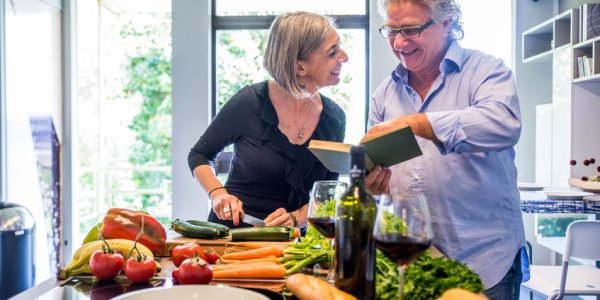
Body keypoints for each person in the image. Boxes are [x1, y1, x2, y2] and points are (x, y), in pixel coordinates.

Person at [365, 0, 528, 299]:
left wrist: (418, 123)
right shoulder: (384, 94)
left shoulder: (486, 71)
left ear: (447, 23)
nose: (400, 42)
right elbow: (382, 180)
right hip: (413, 260)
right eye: (391, 30)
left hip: (485, 260)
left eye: (411, 29)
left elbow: (504, 124)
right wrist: (374, 186)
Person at [188, 11, 348, 229]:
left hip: (289, 244)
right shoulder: (249, 102)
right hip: (232, 236)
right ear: (300, 67)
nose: (344, 56)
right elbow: (199, 154)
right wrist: (218, 194)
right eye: (332, 52)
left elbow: (327, 193)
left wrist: (295, 219)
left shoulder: (335, 118)